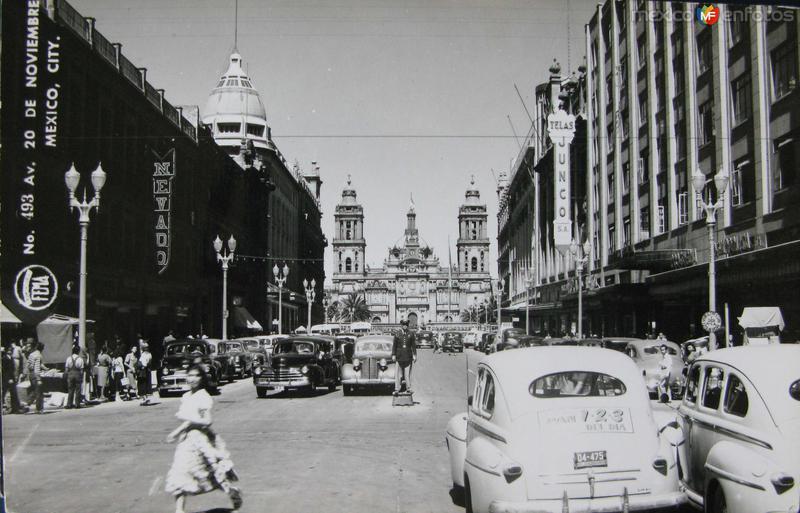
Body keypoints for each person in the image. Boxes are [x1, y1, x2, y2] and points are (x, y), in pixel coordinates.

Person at [165, 365, 242, 513]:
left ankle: (232, 492)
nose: (192, 379)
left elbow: (207, 421)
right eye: (190, 375)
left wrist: (189, 419)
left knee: (210, 472)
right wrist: (176, 432)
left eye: (196, 376)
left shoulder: (203, 396)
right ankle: (179, 510)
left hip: (200, 440)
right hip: (186, 440)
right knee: (179, 471)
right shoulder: (186, 396)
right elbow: (188, 421)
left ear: (201, 378)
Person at [391, 320, 417, 395]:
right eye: (403, 325)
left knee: (407, 374)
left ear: (408, 325)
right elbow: (394, 345)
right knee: (399, 374)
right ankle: (397, 389)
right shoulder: (397, 334)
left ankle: (408, 388)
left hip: (408, 357)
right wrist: (393, 355)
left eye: (406, 325)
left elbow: (413, 346)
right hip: (399, 357)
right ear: (401, 325)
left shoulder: (411, 334)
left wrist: (415, 355)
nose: (405, 326)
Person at [26, 341, 48, 413]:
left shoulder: (32, 354)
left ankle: (26, 404)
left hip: (31, 374)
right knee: (39, 392)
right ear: (41, 348)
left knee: (34, 391)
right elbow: (37, 368)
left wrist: (46, 368)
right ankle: (39, 409)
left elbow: (33, 365)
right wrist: (38, 379)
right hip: (36, 375)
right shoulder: (38, 355)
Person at [2, 345, 23, 414]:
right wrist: (9, 379)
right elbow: (5, 371)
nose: (10, 351)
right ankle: (12, 408)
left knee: (13, 393)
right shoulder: (4, 359)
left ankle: (15, 408)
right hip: (8, 379)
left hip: (12, 378)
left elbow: (12, 369)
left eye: (11, 350)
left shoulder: (11, 358)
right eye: (9, 350)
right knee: (7, 393)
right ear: (6, 351)